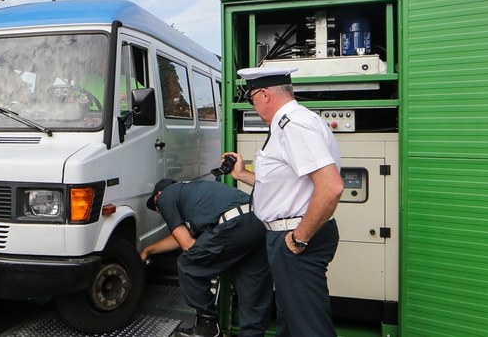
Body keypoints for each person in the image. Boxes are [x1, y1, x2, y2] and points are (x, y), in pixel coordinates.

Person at [226, 65, 343, 337]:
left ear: (265, 94)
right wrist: (242, 174)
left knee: (308, 327)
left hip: (296, 236)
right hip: (289, 235)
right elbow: (287, 183)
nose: (253, 104)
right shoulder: (291, 124)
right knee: (292, 321)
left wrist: (298, 239)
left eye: (251, 97)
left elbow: (331, 187)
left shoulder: (294, 125)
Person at [141, 177, 270, 337]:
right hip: (258, 223)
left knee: (188, 265)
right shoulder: (196, 193)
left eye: (156, 207)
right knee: (251, 287)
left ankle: (208, 327)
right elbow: (185, 235)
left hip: (234, 224)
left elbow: (187, 244)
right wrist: (148, 250)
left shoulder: (165, 197)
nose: (160, 211)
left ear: (157, 195)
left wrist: (207, 256)